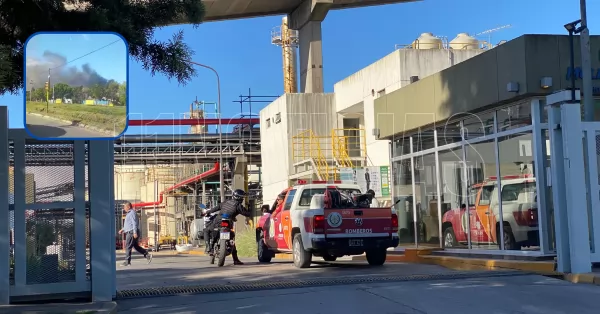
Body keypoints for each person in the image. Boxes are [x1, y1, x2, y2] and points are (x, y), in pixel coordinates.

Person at [203, 189, 251, 265]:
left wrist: (207, 212)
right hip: (228, 223)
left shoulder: (226, 202)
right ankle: (235, 260)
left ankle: (208, 247)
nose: (242, 199)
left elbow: (217, 207)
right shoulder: (238, 206)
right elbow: (247, 214)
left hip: (218, 222)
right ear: (239, 198)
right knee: (231, 239)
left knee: (206, 230)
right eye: (242, 197)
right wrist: (249, 207)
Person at [118, 202, 152, 266]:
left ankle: (127, 262)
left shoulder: (132, 213)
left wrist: (135, 232)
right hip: (131, 231)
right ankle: (147, 255)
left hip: (131, 233)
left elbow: (134, 223)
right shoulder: (129, 214)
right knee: (135, 246)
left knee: (128, 246)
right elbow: (129, 224)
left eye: (125, 207)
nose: (124, 208)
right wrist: (122, 230)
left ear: (128, 207)